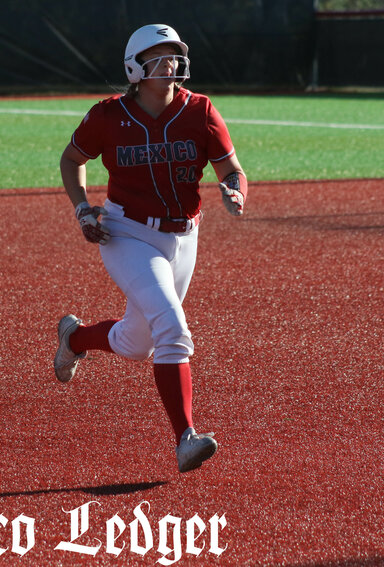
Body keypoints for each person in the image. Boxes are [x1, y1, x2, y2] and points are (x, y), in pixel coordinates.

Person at [55, 23, 247, 473]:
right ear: (133, 68)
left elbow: (231, 168)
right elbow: (71, 159)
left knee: (137, 342)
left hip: (184, 236)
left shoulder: (199, 110)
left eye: (174, 56)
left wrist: (235, 190)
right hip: (126, 233)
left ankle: (74, 337)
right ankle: (186, 438)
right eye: (158, 57)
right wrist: (83, 209)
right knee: (171, 327)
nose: (170, 64)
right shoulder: (108, 116)